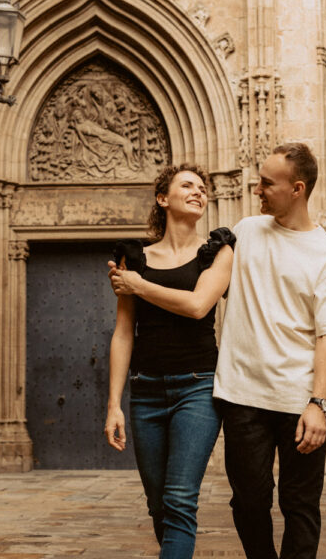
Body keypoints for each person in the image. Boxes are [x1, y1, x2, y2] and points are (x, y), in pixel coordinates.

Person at [110, 143, 326, 559]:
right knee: (248, 502)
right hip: (241, 396)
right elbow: (189, 279)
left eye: (266, 183)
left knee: (300, 505)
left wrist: (318, 402)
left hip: (296, 399)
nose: (256, 189)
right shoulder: (245, 233)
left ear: (296, 189)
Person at [104, 164, 235, 559]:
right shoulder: (134, 257)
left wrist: (139, 286)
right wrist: (114, 405)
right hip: (145, 392)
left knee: (179, 499)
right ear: (163, 199)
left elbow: (197, 306)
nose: (199, 192)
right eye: (187, 186)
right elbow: (124, 332)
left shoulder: (218, 251)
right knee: (158, 504)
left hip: (197, 387)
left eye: (202, 187)